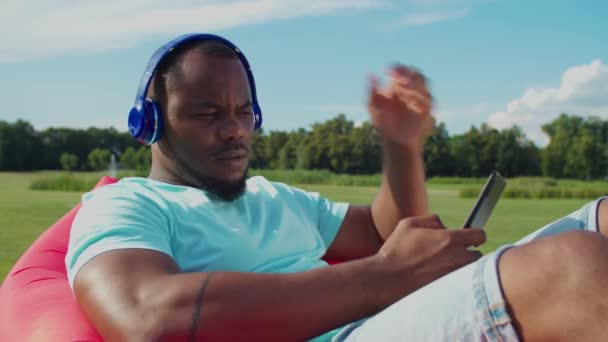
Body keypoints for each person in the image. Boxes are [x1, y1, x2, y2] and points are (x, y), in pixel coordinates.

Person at [66, 33, 608, 342]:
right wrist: (388, 276)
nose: (233, 129)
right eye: (207, 113)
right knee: (572, 266)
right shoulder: (125, 205)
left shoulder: (273, 197)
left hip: (384, 321)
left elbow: (382, 233)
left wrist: (401, 146)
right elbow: (145, 315)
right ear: (149, 123)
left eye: (244, 112)